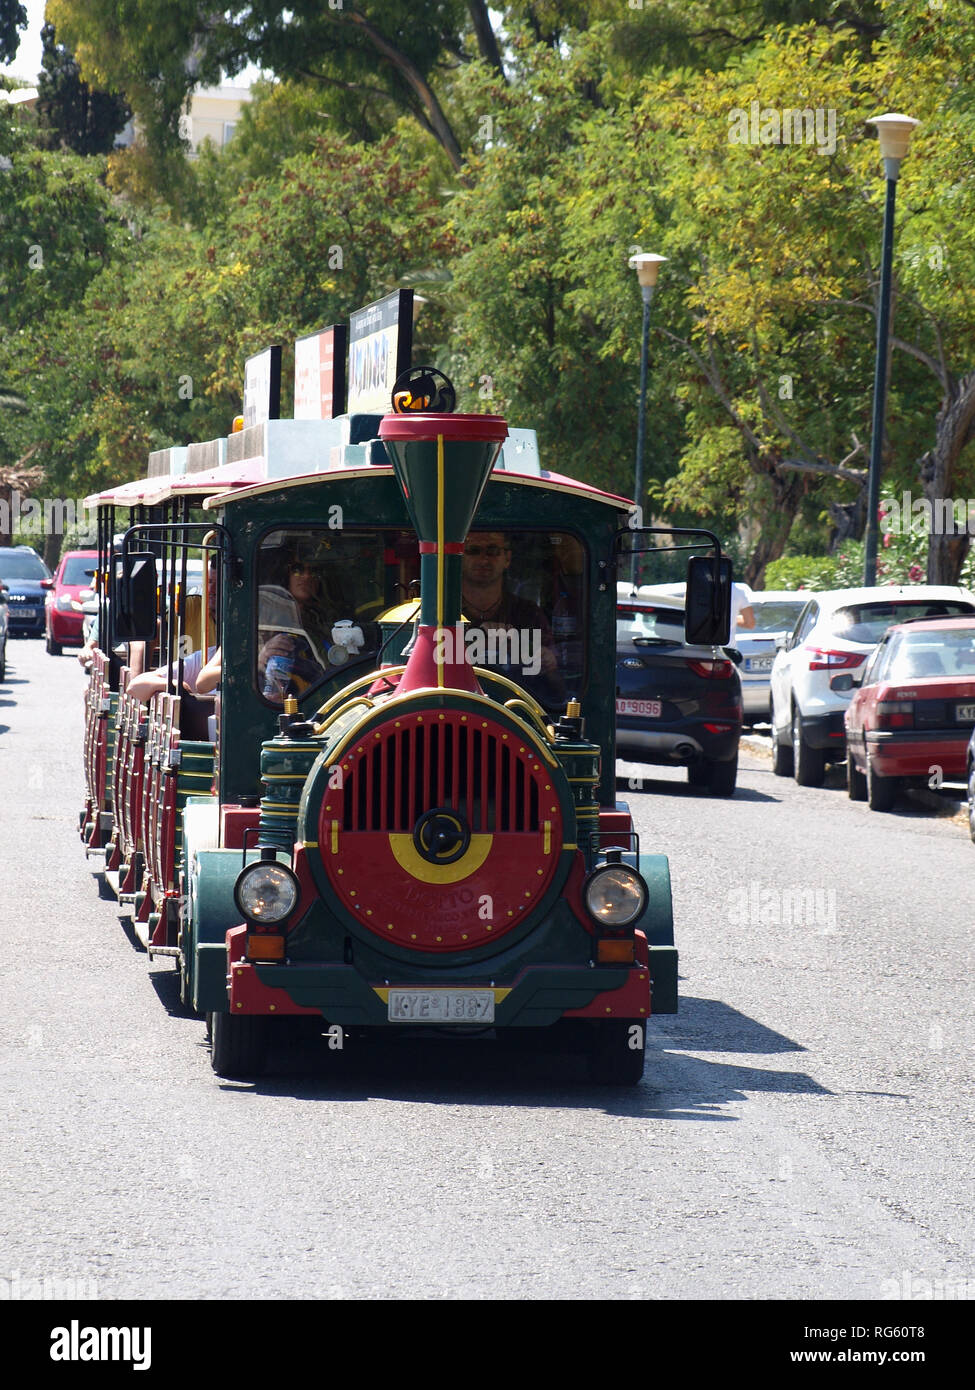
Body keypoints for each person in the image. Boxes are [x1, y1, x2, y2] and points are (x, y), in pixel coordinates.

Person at [461, 531, 564, 705]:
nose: (484, 559)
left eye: (492, 551)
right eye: (473, 550)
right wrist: (476, 645)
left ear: (507, 558)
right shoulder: (442, 613)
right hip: (457, 707)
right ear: (459, 556)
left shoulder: (529, 615)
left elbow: (560, 692)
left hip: (518, 713)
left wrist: (548, 663)